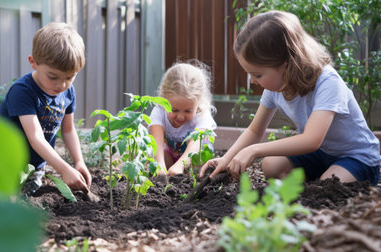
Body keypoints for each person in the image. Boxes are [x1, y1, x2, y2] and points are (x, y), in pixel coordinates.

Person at [200, 10, 380, 185]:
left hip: (357, 156)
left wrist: (254, 150)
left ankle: (327, 177)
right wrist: (226, 158)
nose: (252, 81)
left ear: (285, 65)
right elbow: (255, 131)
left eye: (258, 74)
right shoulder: (276, 86)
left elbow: (311, 139)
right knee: (271, 165)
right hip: (321, 153)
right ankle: (318, 178)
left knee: (330, 185)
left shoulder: (328, 82)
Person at [0, 22, 92, 195]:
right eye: (53, 76)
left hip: (33, 169)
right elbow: (36, 138)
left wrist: (79, 162)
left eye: (70, 77)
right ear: (33, 62)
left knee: (28, 199)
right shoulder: (23, 91)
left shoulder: (68, 92)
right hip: (4, 163)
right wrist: (64, 169)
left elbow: (69, 130)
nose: (61, 84)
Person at [149, 61, 217, 176]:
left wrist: (181, 165)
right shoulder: (159, 111)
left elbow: (194, 145)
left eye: (188, 111)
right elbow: (157, 142)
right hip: (170, 154)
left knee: (201, 158)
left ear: (198, 102)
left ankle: (193, 176)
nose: (180, 116)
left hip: (194, 156)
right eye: (174, 110)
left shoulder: (202, 115)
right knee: (156, 156)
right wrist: (159, 168)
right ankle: (170, 171)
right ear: (164, 99)